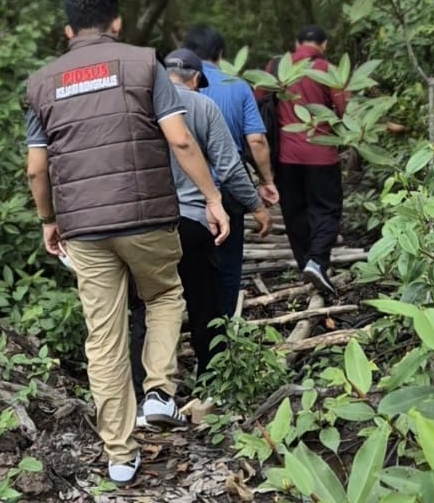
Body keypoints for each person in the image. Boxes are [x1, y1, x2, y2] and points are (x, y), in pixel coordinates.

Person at [23, 0, 230, 485]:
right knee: (163, 294)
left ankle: (119, 453)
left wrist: (49, 220)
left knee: (104, 334)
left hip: (84, 229)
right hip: (147, 220)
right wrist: (212, 198)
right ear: (116, 23)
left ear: (69, 31)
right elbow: (179, 138)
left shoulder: (40, 83)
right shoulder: (143, 64)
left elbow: (36, 168)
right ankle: (159, 391)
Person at [129, 48, 272, 409]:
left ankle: (141, 393)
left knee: (146, 308)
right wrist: (256, 206)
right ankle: (211, 385)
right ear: (196, 78)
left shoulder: (136, 106)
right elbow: (229, 166)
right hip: (192, 222)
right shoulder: (202, 106)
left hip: (143, 222)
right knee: (204, 304)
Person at [182, 24, 279, 316]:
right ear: (221, 54)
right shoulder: (235, 85)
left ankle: (192, 317)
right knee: (227, 259)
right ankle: (222, 326)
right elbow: (256, 140)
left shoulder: (165, 88)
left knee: (187, 257)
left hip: (182, 188)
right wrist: (266, 180)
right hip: (227, 185)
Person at [274, 24, 349, 297]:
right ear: (324, 44)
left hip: (285, 155)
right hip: (321, 153)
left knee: (294, 211)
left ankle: (305, 263)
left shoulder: (276, 70)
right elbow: (344, 110)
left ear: (296, 43)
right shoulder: (327, 70)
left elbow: (259, 103)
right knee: (326, 209)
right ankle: (317, 262)